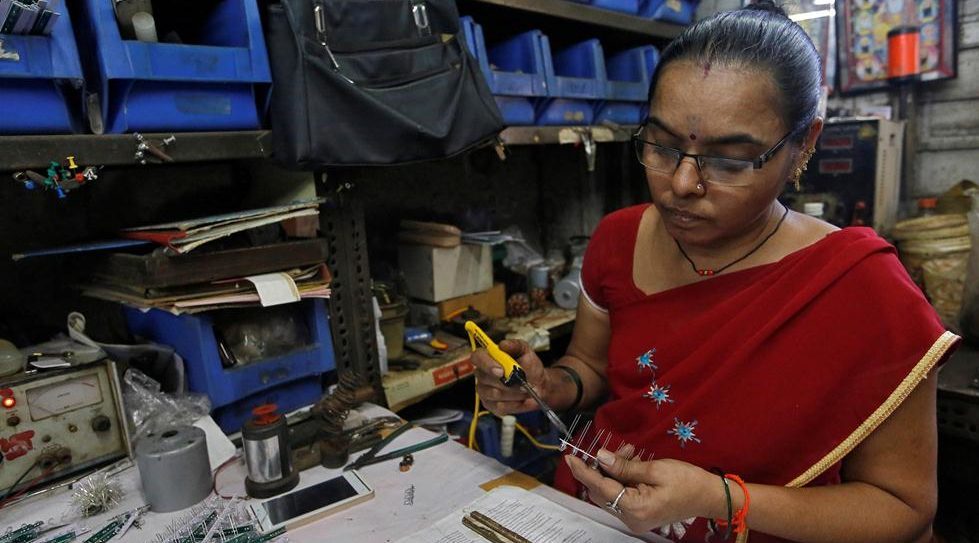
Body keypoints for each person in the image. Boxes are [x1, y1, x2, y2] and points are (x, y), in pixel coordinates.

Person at [470, 2, 960, 542]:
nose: (682, 184)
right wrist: (547, 385)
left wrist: (718, 498)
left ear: (804, 143)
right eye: (662, 146)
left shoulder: (861, 287)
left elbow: (903, 508)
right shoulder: (618, 239)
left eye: (729, 160)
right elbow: (590, 365)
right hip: (596, 519)